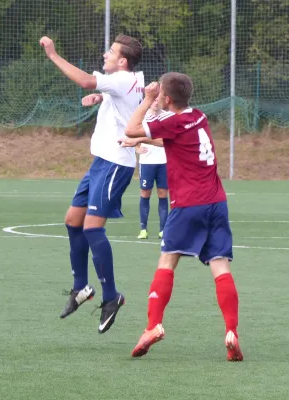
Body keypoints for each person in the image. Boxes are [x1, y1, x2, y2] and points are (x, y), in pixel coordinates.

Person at [120, 72, 243, 361]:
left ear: (166, 98)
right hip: (217, 203)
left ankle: (152, 327)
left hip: (189, 204)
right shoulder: (198, 117)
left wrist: (147, 99)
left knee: (167, 262)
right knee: (221, 267)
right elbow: (178, 142)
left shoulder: (170, 121)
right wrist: (151, 142)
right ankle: (231, 332)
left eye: (159, 92)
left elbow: (131, 128)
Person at [40, 34, 144, 334]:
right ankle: (81, 288)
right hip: (101, 161)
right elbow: (126, 99)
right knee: (73, 221)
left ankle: (112, 297)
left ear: (122, 61)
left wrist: (53, 55)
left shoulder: (123, 79)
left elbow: (86, 81)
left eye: (111, 52)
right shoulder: (131, 78)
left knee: (92, 228)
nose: (105, 54)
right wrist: (103, 97)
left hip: (115, 164)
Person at [136, 98, 168, 240]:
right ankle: (143, 229)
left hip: (164, 161)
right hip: (147, 162)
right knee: (145, 193)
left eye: (158, 99)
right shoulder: (142, 117)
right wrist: (136, 147)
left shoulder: (166, 116)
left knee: (163, 194)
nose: (155, 102)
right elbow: (132, 134)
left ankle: (163, 230)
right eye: (153, 99)